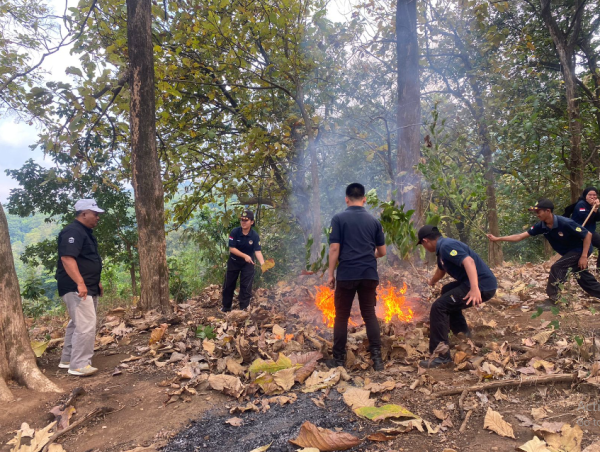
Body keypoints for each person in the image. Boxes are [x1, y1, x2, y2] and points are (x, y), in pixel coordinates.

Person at [487, 198, 600, 310]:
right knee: (583, 278)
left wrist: (584, 256)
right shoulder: (541, 226)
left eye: (539, 211)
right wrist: (498, 238)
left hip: (580, 250)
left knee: (557, 267)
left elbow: (588, 235)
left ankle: (554, 300)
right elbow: (520, 236)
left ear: (548, 211)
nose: (537, 214)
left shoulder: (565, 222)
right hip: (570, 252)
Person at [417, 225, 497, 368]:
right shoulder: (442, 250)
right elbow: (441, 271)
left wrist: (474, 288)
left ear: (425, 241)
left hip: (482, 285)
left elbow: (469, 262)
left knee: (438, 307)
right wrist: (431, 282)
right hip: (478, 284)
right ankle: (463, 336)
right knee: (447, 290)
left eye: (422, 245)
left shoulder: (447, 246)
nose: (424, 247)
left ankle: (441, 356)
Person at [326, 183, 387, 371]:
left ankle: (338, 360)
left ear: (346, 199)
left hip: (347, 273)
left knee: (341, 316)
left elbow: (334, 248)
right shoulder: (374, 221)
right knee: (369, 314)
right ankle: (377, 359)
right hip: (368, 273)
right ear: (364, 199)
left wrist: (330, 274)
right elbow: (382, 252)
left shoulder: (338, 219)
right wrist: (369, 255)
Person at [56, 199, 104, 377]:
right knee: (86, 324)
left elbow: (87, 259)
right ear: (84, 213)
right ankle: (79, 364)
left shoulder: (85, 232)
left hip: (87, 284)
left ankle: (68, 359)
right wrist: (80, 283)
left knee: (77, 323)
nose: (98, 217)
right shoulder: (73, 231)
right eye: (95, 214)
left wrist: (95, 281)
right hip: (75, 285)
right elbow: (67, 258)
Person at [221, 210, 265, 312]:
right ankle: (226, 307)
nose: (243, 222)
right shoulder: (235, 232)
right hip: (234, 261)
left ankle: (244, 308)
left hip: (248, 264)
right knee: (229, 285)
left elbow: (257, 251)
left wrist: (263, 263)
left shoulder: (254, 235)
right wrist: (244, 255)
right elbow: (232, 249)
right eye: (242, 220)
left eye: (246, 220)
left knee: (246, 287)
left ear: (252, 222)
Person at [565, 187, 600, 266]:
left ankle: (599, 268)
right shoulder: (581, 204)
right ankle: (577, 268)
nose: (592, 197)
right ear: (585, 196)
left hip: (591, 232)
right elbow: (587, 219)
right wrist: (594, 209)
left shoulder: (595, 205)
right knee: (583, 252)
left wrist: (596, 208)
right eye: (590, 195)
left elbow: (598, 218)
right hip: (580, 232)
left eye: (594, 195)